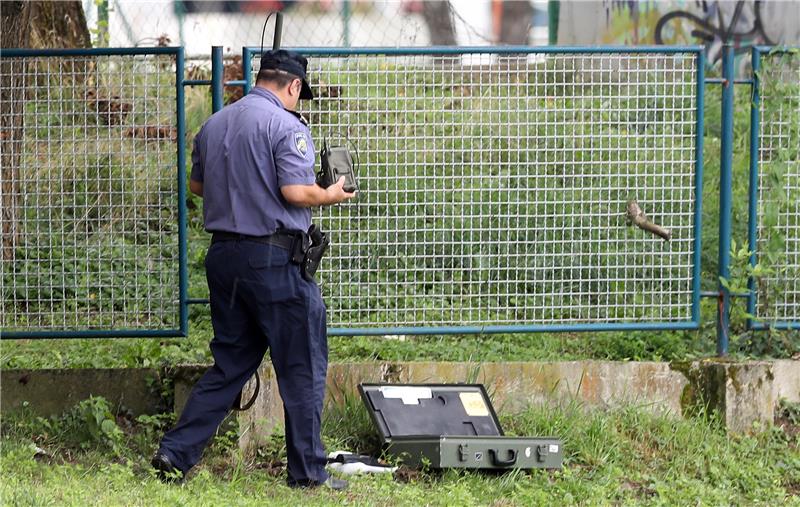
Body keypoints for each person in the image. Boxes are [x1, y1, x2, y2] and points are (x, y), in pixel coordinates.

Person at [151, 49, 355, 490]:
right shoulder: (286, 125)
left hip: (225, 260)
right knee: (302, 367)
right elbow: (295, 191)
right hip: (275, 261)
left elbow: (198, 186)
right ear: (293, 86)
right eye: (301, 94)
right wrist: (332, 194)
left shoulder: (215, 123)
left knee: (231, 364)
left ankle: (175, 453)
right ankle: (307, 474)